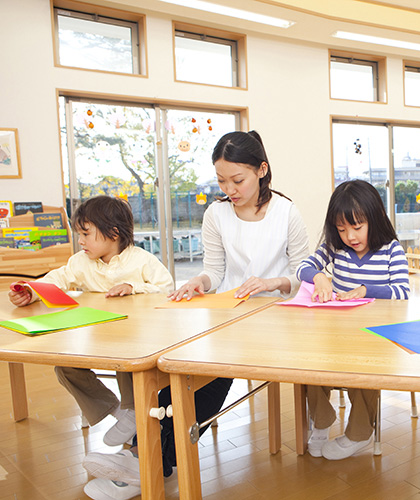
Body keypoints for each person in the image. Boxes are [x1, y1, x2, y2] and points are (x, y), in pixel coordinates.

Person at [81, 130, 310, 500]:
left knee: (211, 373)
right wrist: (198, 282)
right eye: (221, 180)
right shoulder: (216, 213)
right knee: (181, 368)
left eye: (238, 180)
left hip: (275, 316)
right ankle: (146, 456)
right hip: (228, 314)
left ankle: (149, 461)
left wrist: (271, 282)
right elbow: (215, 271)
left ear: (262, 170)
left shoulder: (287, 212)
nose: (229, 188)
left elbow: (303, 274)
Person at [8, 195, 174, 450]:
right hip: (95, 339)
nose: (80, 240)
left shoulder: (141, 260)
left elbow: (166, 287)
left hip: (135, 339)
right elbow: (57, 279)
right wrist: (30, 291)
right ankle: (121, 413)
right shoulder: (80, 262)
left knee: (127, 358)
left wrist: (133, 286)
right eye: (79, 234)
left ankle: (133, 411)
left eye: (86, 233)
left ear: (114, 232)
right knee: (64, 368)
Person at [297, 179, 409, 460]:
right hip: (338, 334)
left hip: (377, 336)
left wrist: (364, 290)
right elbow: (304, 267)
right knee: (307, 360)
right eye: (342, 228)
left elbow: (403, 292)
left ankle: (360, 432)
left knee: (365, 367)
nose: (350, 236)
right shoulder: (335, 248)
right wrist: (320, 276)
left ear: (375, 218)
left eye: (357, 227)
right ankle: (322, 420)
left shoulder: (391, 250)